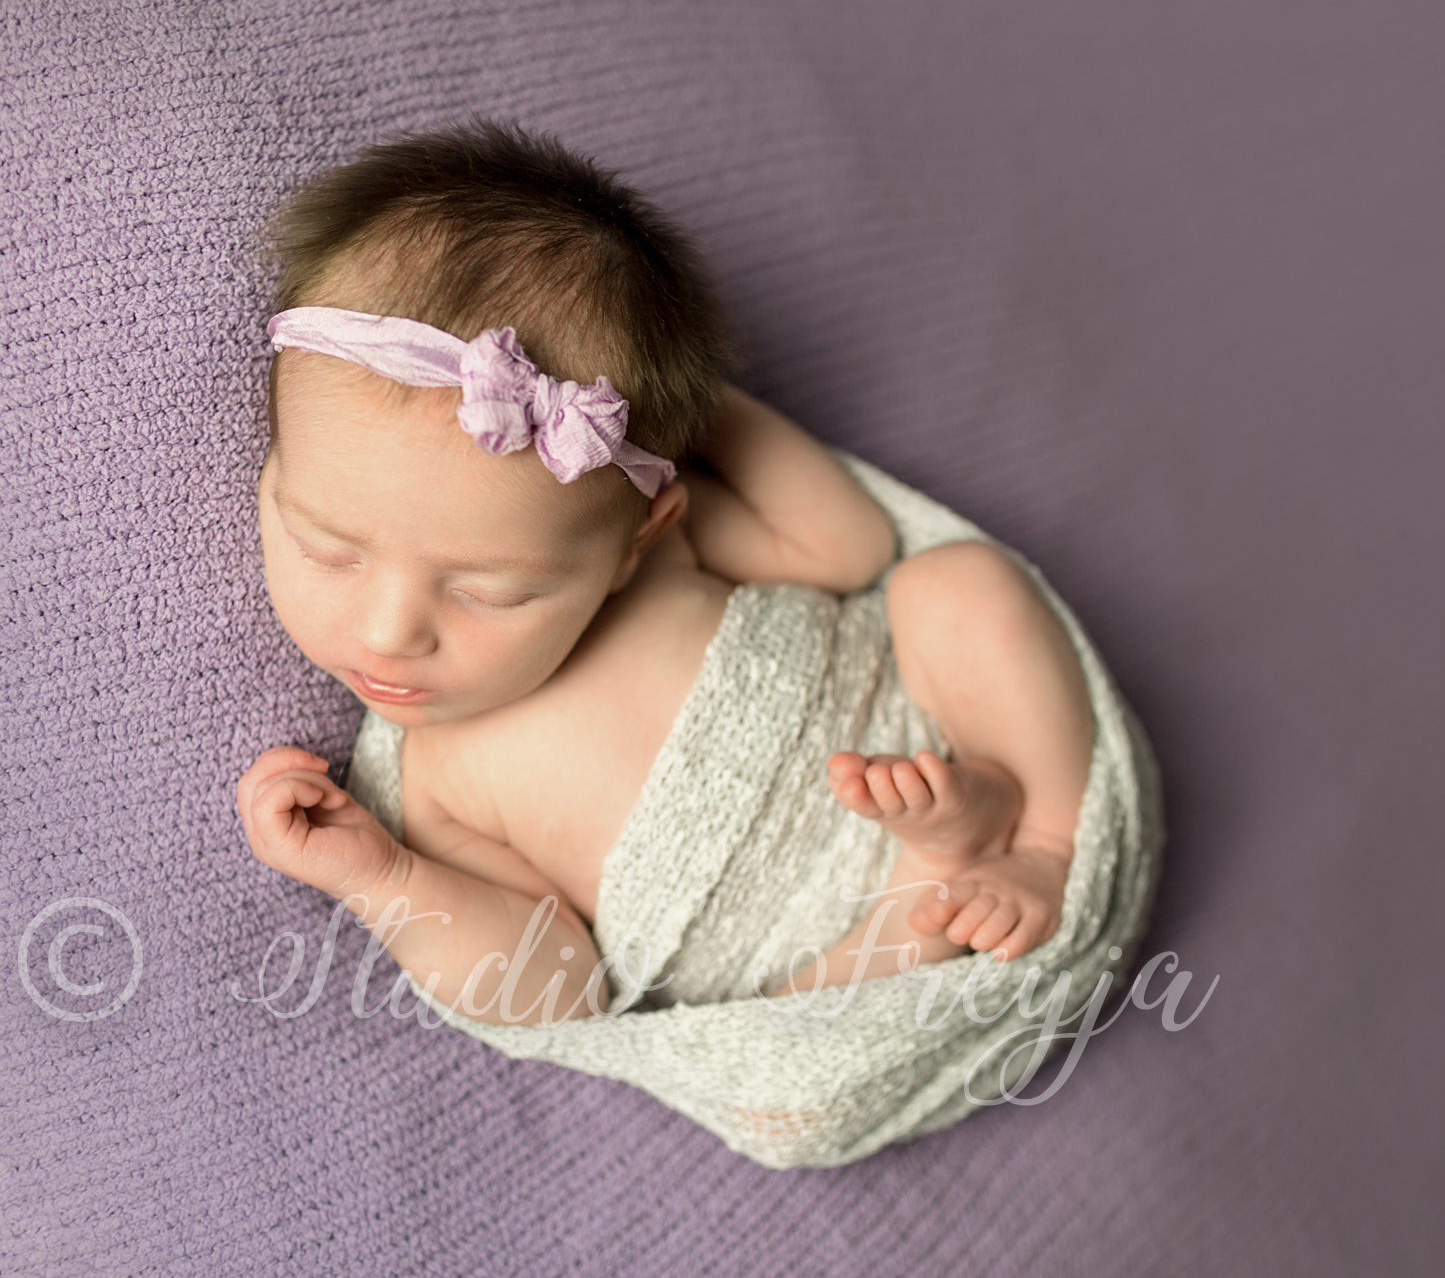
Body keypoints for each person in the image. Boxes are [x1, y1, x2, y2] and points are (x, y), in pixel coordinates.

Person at [235, 119, 1095, 1023]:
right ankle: (947, 861)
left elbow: (855, 546)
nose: (389, 632)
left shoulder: (666, 554)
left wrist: (661, 408)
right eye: (325, 548)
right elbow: (558, 987)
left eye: (492, 590)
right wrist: (383, 876)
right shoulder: (434, 781)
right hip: (830, 958)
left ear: (636, 542)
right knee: (784, 1064)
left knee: (960, 585)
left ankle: (1040, 837)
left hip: (920, 719)